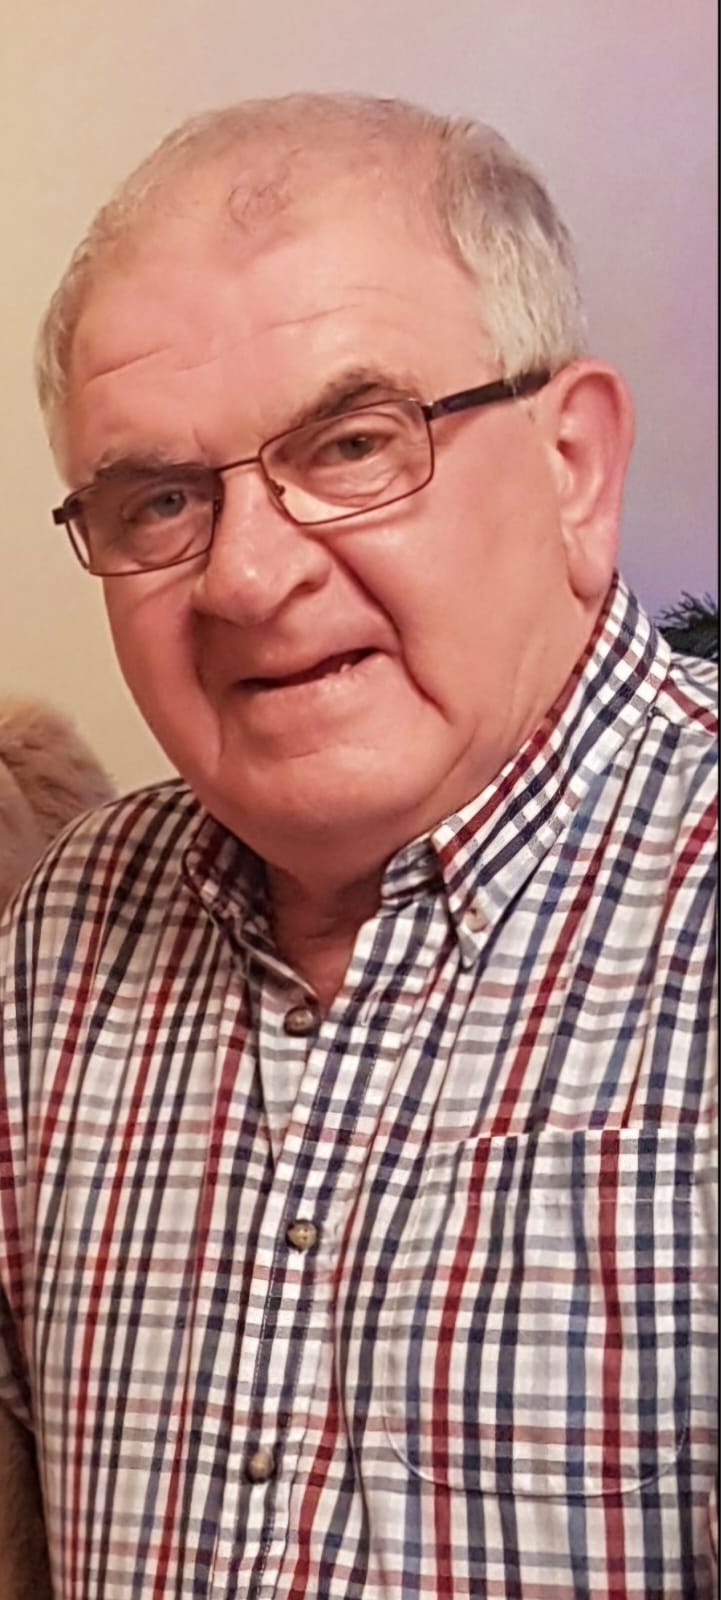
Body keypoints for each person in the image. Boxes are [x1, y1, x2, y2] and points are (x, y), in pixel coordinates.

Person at [0, 92, 716, 1599]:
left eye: (353, 443)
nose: (248, 578)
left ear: (575, 467)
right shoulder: (62, 930)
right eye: (159, 500)